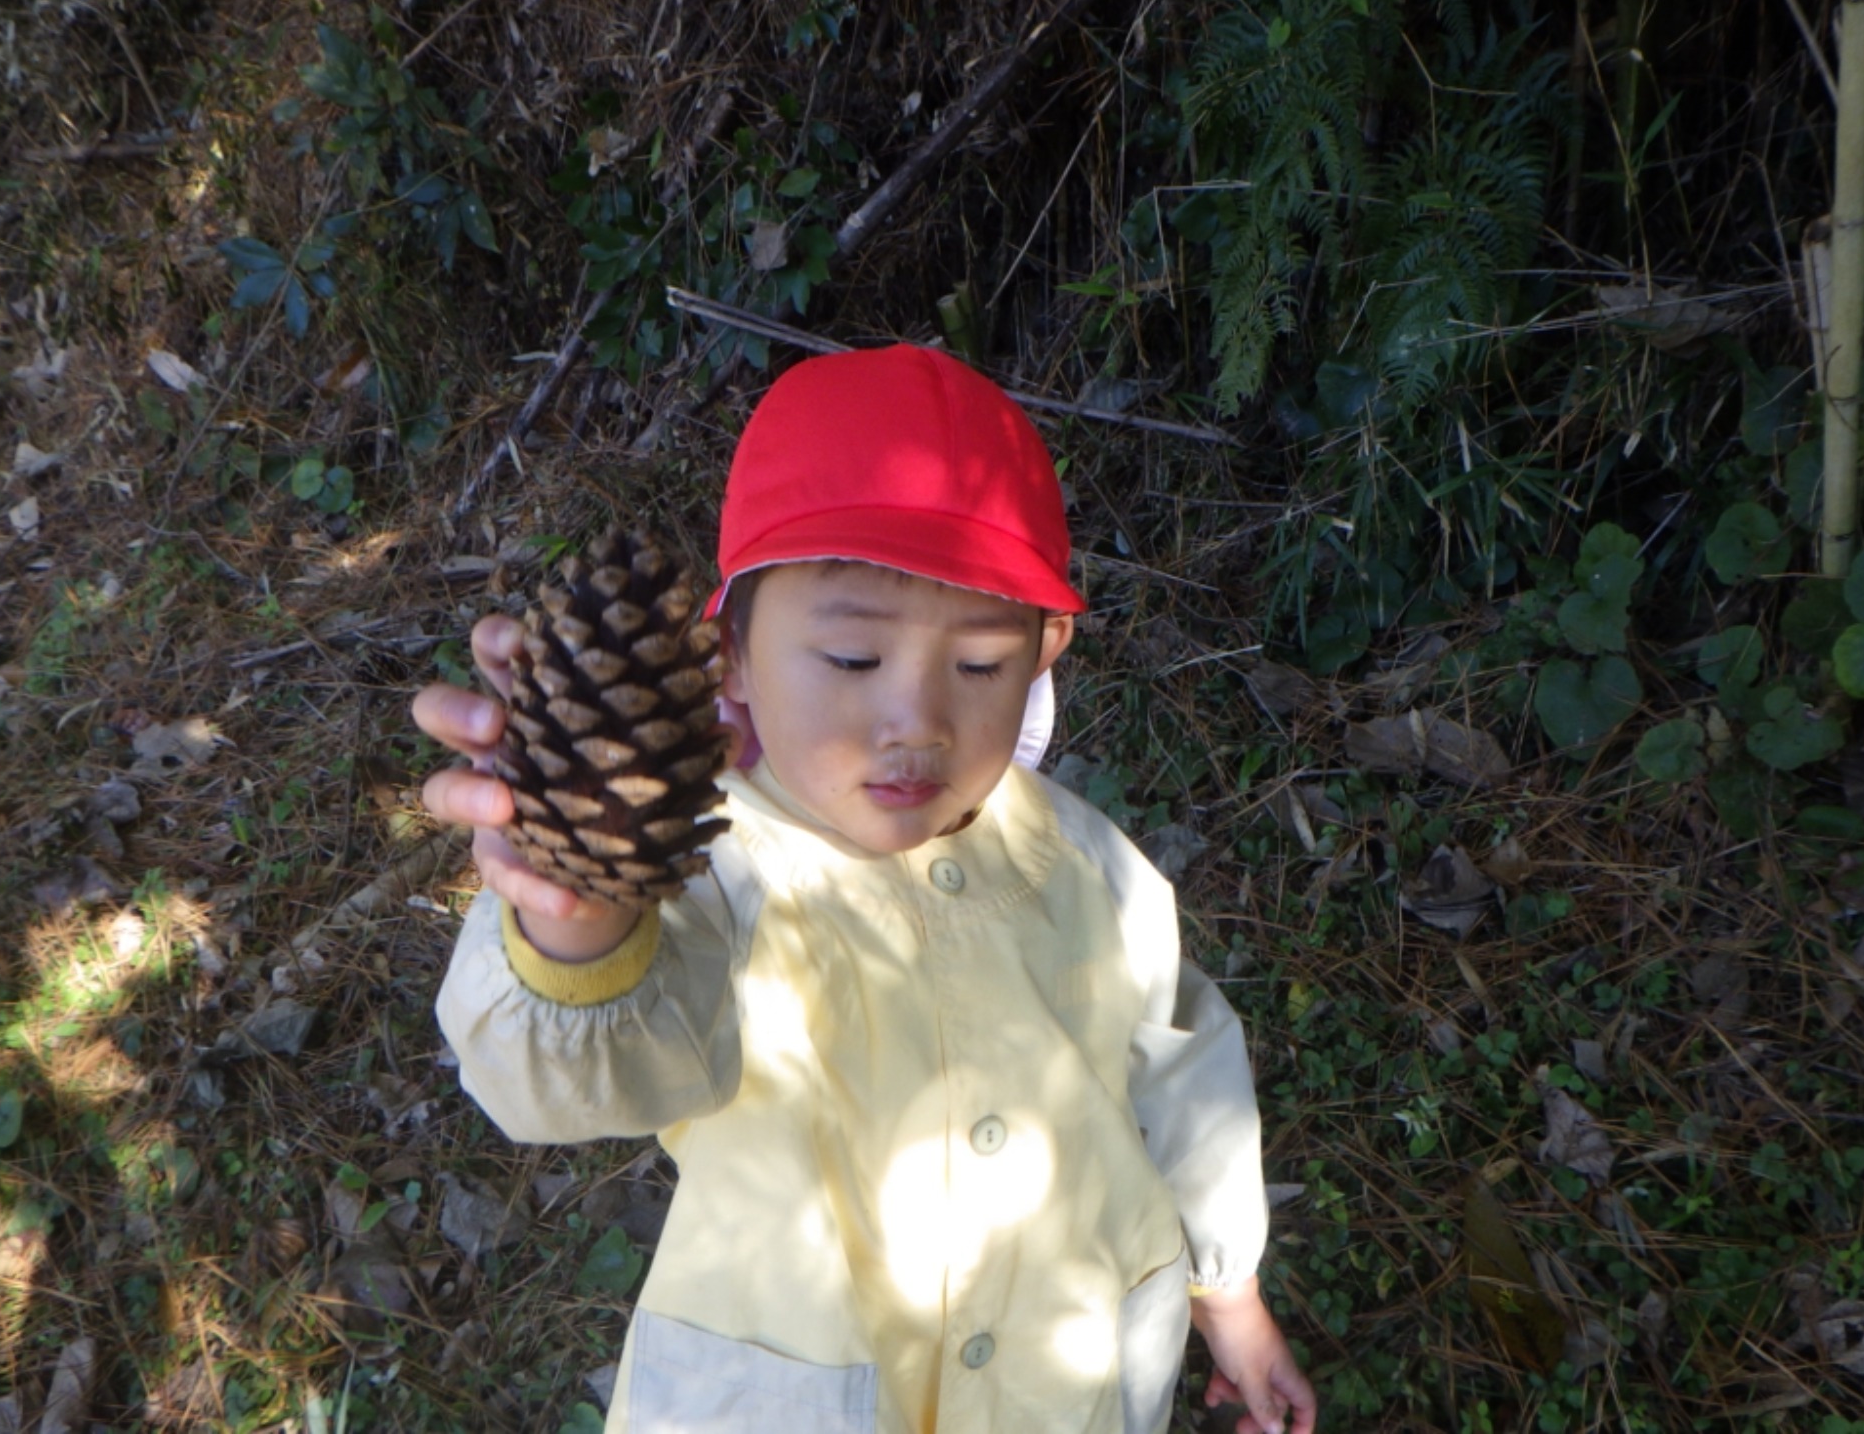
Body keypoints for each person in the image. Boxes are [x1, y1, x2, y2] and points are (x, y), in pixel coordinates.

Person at [413, 345, 1317, 1434]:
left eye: (978, 666)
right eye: (849, 658)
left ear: (1044, 651)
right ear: (730, 657)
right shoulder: (711, 875)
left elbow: (1180, 1071)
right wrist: (583, 904)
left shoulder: (1086, 866)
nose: (915, 721)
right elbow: (573, 1073)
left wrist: (1229, 1293)